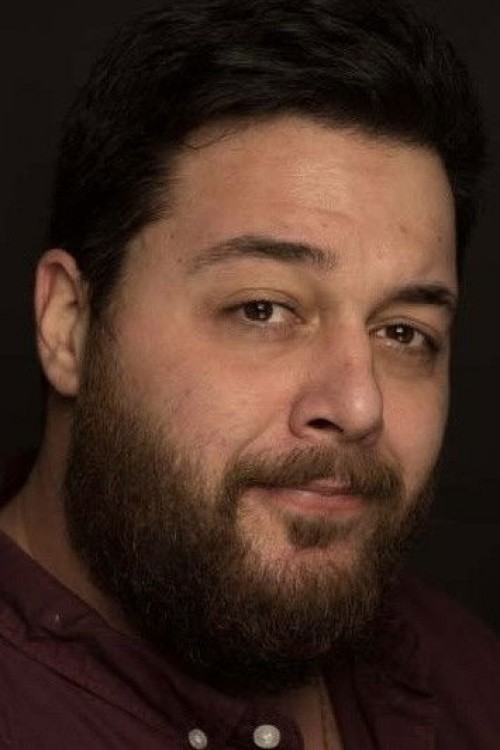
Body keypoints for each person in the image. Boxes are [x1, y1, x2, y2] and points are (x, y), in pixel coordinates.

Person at [0, 0, 498, 747]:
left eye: (403, 332)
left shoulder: (469, 676)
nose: (359, 404)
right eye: (263, 309)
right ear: (68, 324)